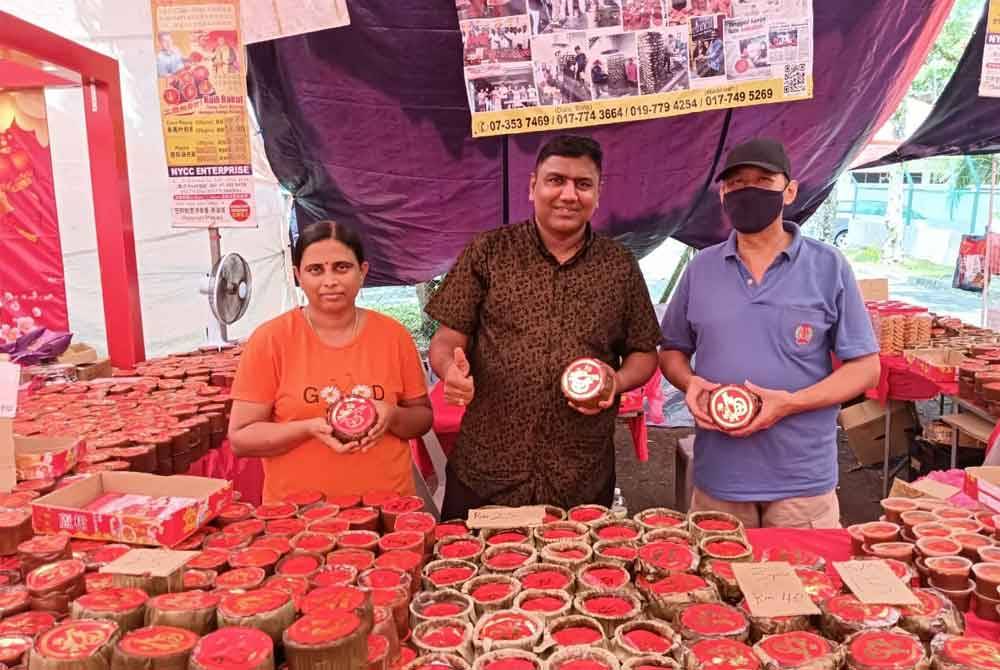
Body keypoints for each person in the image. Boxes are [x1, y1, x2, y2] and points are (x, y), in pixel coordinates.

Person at [426, 135, 661, 517]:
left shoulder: (618, 266)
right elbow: (448, 337)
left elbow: (643, 352)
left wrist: (616, 382)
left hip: (579, 471)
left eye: (582, 184)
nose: (569, 194)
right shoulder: (488, 252)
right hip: (488, 468)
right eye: (556, 180)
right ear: (533, 186)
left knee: (574, 572)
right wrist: (449, 368)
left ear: (597, 194)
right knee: (474, 571)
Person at [658, 138, 880, 529]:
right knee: (714, 586)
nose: (749, 191)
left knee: (804, 585)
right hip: (720, 480)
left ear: (789, 190)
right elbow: (672, 350)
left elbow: (865, 368)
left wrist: (792, 403)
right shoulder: (701, 270)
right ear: (723, 194)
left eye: (764, 180)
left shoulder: (828, 267)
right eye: (737, 183)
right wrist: (688, 382)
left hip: (802, 484)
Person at [228, 221, 433, 503]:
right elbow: (241, 438)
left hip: (389, 507)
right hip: (299, 514)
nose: (330, 281)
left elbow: (422, 418)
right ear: (298, 275)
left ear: (363, 271)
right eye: (315, 270)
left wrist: (392, 415)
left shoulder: (393, 335)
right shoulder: (271, 340)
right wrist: (308, 428)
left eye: (341, 267)